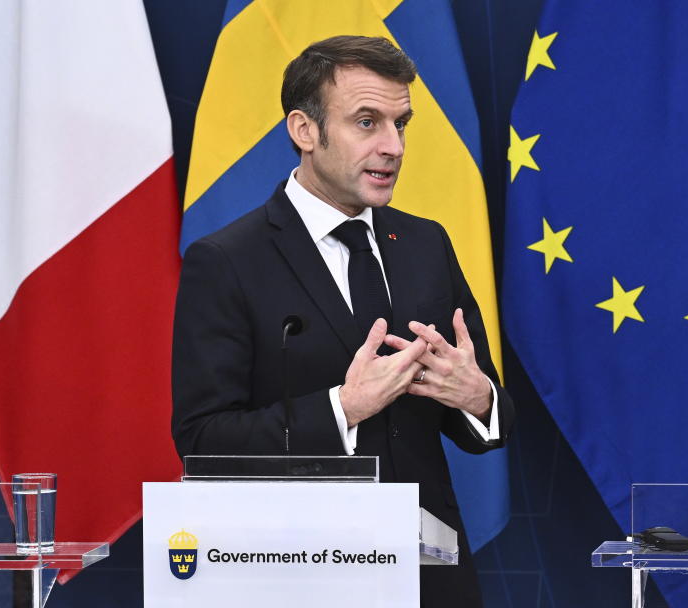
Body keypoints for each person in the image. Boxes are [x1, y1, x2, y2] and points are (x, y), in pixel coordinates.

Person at [172, 35, 513, 606]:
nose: (393, 146)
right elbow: (203, 443)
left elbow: (486, 417)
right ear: (305, 131)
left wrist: (478, 398)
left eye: (400, 124)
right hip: (294, 574)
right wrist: (343, 409)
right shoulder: (228, 261)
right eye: (366, 122)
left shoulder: (426, 243)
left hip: (430, 575)